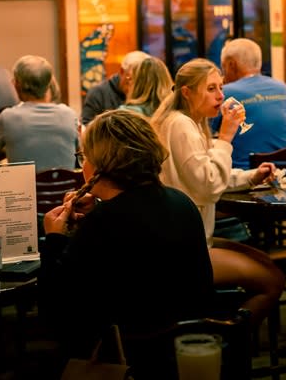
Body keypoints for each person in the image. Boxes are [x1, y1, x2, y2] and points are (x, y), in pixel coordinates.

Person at [40, 109, 214, 376]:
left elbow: (58, 312)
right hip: (186, 351)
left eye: (83, 157)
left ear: (99, 168)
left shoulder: (103, 223)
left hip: (132, 361)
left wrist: (54, 238)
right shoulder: (182, 203)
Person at [151, 58, 284, 328]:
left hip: (187, 239)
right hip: (187, 249)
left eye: (221, 87)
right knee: (273, 280)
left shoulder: (189, 122)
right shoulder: (181, 125)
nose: (221, 96)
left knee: (263, 261)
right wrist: (226, 137)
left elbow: (208, 171)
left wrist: (250, 176)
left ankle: (223, 327)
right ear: (186, 92)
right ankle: (229, 343)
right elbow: (208, 185)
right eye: (211, 88)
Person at [211, 38, 286, 169]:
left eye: (224, 67)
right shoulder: (281, 87)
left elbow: (206, 133)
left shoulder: (225, 93)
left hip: (245, 174)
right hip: (285, 171)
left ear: (231, 64)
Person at [0, 55, 79, 172]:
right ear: (49, 84)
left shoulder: (8, 117)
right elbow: (80, 152)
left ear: (17, 84)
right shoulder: (70, 115)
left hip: (24, 190)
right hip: (66, 190)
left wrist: (13, 146)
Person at [80, 50, 149, 125]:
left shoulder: (148, 90)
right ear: (122, 72)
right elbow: (86, 128)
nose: (139, 86)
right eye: (133, 79)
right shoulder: (98, 93)